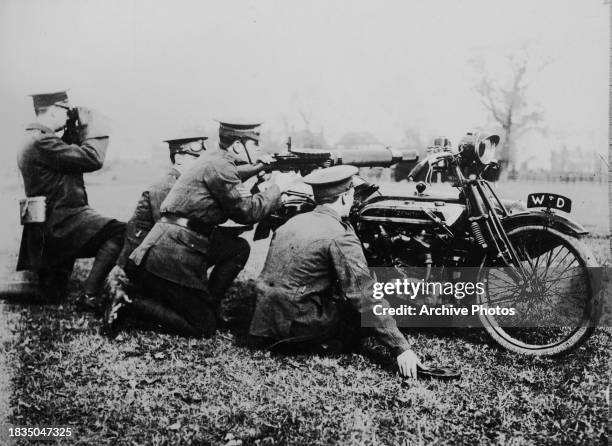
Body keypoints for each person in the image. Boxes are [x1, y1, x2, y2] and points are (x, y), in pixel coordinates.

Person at [103, 119, 295, 338]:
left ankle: (208, 303)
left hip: (173, 244)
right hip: (171, 254)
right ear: (237, 146)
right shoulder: (220, 166)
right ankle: (129, 301)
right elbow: (247, 212)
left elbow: (235, 177)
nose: (259, 149)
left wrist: (262, 168)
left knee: (237, 248)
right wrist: (280, 188)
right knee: (203, 327)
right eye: (254, 144)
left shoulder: (215, 159)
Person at [248, 165, 424, 379]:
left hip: (261, 323)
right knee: (356, 315)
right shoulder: (339, 236)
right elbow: (364, 297)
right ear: (346, 197)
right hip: (295, 330)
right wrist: (400, 347)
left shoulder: (293, 221)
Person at [16, 90, 125, 308]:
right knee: (120, 231)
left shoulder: (34, 139)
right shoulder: (41, 142)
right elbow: (91, 158)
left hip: (48, 227)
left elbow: (66, 157)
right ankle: (89, 295)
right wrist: (94, 127)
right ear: (55, 110)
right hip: (62, 224)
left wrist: (73, 131)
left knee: (50, 294)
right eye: (66, 112)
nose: (68, 117)